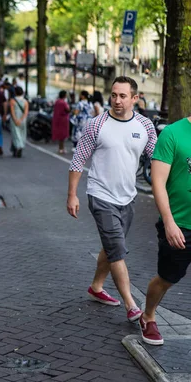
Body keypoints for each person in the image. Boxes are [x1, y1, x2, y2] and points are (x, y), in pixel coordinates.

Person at [67, 76, 157, 323]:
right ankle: (131, 305)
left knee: (111, 246)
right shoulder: (97, 124)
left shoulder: (145, 126)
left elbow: (159, 160)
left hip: (128, 197)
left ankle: (96, 287)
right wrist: (72, 195)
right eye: (114, 95)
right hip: (100, 195)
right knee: (117, 249)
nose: (117, 101)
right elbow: (78, 160)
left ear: (135, 99)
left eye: (123, 96)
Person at [138, 115, 191, 346]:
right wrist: (169, 222)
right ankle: (148, 315)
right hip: (179, 224)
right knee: (168, 278)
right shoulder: (172, 133)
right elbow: (158, 182)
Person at [8, 86, 28, 158]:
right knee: (22, 134)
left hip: (14, 120)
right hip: (22, 120)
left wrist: (15, 120)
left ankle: (17, 147)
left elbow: (12, 112)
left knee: (15, 134)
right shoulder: (25, 101)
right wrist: (21, 119)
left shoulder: (12, 101)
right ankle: (21, 146)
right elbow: (25, 112)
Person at [52, 90, 71, 154]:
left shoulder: (57, 102)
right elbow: (68, 110)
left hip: (57, 120)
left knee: (60, 135)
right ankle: (62, 148)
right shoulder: (63, 103)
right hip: (63, 120)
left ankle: (60, 148)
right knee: (63, 135)